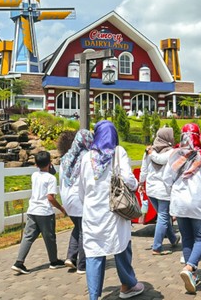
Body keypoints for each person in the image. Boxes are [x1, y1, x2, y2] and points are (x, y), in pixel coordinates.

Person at [79, 120, 144, 299]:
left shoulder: (86, 157)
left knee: (93, 252)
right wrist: (135, 185)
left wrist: (89, 203)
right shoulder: (118, 152)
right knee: (122, 245)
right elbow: (128, 178)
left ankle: (94, 296)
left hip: (92, 212)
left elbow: (81, 189)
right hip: (114, 210)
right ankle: (128, 285)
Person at [164, 123, 201, 294]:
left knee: (187, 238)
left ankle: (191, 273)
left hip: (179, 202)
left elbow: (166, 179)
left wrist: (172, 195)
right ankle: (190, 267)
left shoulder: (174, 155)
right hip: (199, 202)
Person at [11, 151, 67, 274]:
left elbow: (42, 174)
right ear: (50, 163)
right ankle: (54, 261)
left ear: (36, 164)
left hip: (32, 211)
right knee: (50, 238)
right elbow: (50, 198)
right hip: (45, 212)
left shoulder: (34, 175)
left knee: (28, 237)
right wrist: (61, 208)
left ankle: (19, 262)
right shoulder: (51, 178)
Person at [139, 127, 179, 255]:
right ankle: (157, 246)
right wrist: (152, 154)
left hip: (151, 189)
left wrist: (141, 182)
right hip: (163, 189)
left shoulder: (149, 151)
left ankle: (173, 238)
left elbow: (143, 168)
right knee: (163, 216)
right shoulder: (171, 152)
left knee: (163, 216)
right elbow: (161, 160)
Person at [58, 129, 93, 274]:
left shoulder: (66, 157)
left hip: (67, 199)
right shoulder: (86, 156)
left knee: (78, 227)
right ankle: (82, 265)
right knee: (84, 231)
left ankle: (71, 257)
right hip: (79, 199)